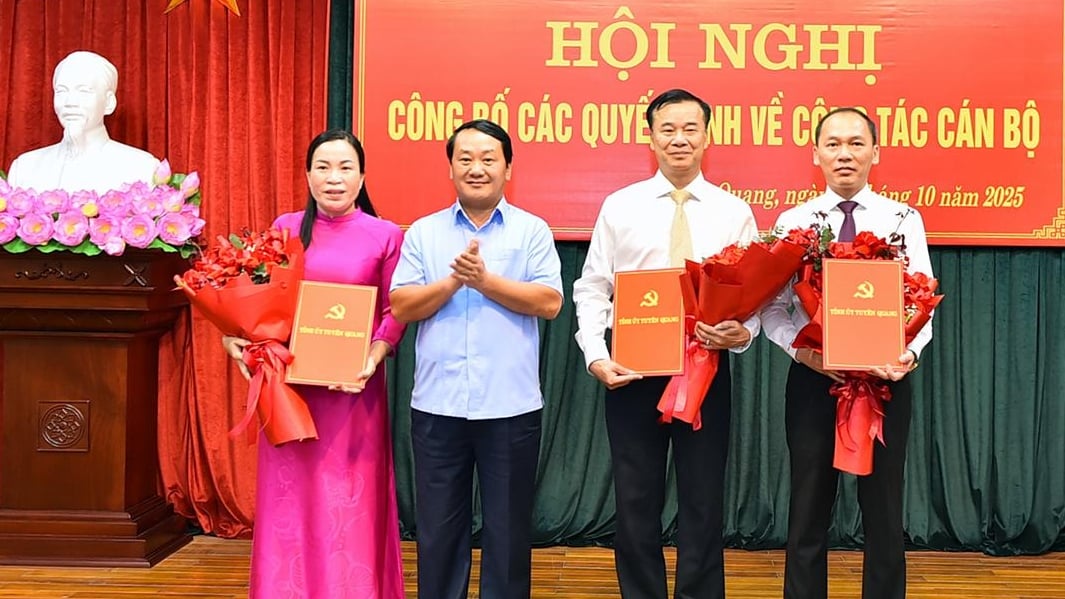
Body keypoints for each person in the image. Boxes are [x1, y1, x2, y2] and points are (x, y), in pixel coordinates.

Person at [573, 89, 759, 599]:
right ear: (649, 137)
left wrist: (744, 334)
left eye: (690, 129)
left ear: (708, 137)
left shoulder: (734, 211)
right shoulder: (620, 206)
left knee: (703, 500)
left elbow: (753, 301)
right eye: (668, 129)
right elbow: (592, 288)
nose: (679, 139)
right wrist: (596, 355)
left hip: (706, 373)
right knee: (635, 500)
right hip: (632, 371)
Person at [222, 129, 407, 599]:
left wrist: (376, 353)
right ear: (307, 175)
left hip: (354, 393)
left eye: (345, 167)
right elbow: (261, 301)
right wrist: (243, 341)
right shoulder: (284, 228)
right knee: (292, 496)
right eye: (323, 167)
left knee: (349, 496)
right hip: (291, 389)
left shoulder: (386, 235)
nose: (334, 178)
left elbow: (393, 311)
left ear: (362, 176)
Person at [760, 107, 934, 599]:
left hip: (884, 383)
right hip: (815, 382)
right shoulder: (794, 222)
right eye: (833, 143)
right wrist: (802, 353)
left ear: (875, 153)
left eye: (856, 143)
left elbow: (922, 297)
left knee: (883, 511)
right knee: (808, 507)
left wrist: (908, 357)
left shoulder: (903, 219)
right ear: (815, 154)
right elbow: (775, 308)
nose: (844, 153)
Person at [389, 119, 563, 599]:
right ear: (450, 168)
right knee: (439, 533)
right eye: (465, 158)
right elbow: (402, 305)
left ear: (508, 167)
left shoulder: (531, 230)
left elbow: (549, 302)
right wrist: (453, 282)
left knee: (508, 534)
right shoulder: (424, 232)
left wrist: (485, 281)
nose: (477, 168)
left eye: (488, 158)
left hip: (510, 406)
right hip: (438, 405)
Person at [6, 50, 159, 193]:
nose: (70, 102)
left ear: (109, 102)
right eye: (61, 91)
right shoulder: (25, 168)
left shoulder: (142, 168)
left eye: (84, 91)